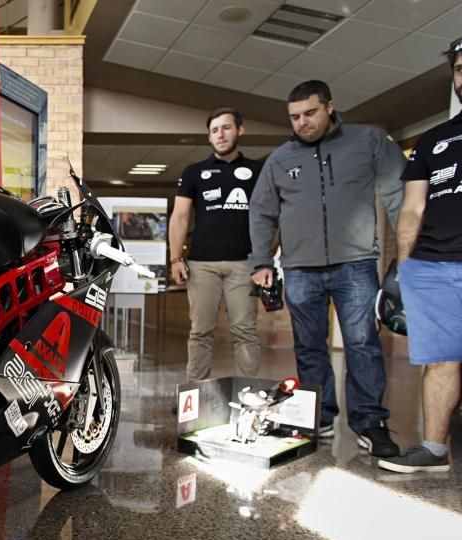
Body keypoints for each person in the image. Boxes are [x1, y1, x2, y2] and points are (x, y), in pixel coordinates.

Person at [248, 80, 405, 456]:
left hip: (356, 264)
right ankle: (318, 416)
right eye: (294, 117)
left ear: (330, 107)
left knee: (362, 344)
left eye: (310, 113)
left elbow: (400, 193)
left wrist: (410, 252)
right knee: (309, 347)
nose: (302, 122)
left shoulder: (368, 141)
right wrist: (261, 261)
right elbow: (262, 212)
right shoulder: (280, 159)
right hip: (300, 267)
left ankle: (370, 422)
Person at [378, 37, 462, 473]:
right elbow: (412, 208)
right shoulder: (432, 142)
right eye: (461, 68)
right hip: (432, 266)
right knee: (442, 358)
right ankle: (434, 448)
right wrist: (405, 266)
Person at [169, 107, 263, 381]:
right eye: (214, 130)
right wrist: (176, 259)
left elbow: (271, 216)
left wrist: (264, 258)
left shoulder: (258, 171)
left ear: (240, 130)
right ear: (209, 137)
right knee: (200, 332)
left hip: (244, 264)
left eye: (226, 128)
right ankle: (195, 394)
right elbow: (181, 216)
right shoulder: (194, 172)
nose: (220, 135)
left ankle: (250, 397)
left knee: (245, 331)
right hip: (201, 264)